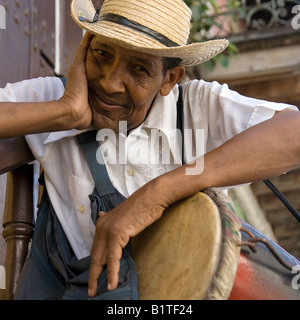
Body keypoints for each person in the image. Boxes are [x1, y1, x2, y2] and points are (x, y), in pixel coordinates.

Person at [1, 0, 300, 299]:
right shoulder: (54, 97)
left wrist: (157, 194)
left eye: (139, 68)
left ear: (169, 79)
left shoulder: (196, 109)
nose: (110, 82)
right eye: (102, 54)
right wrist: (65, 113)